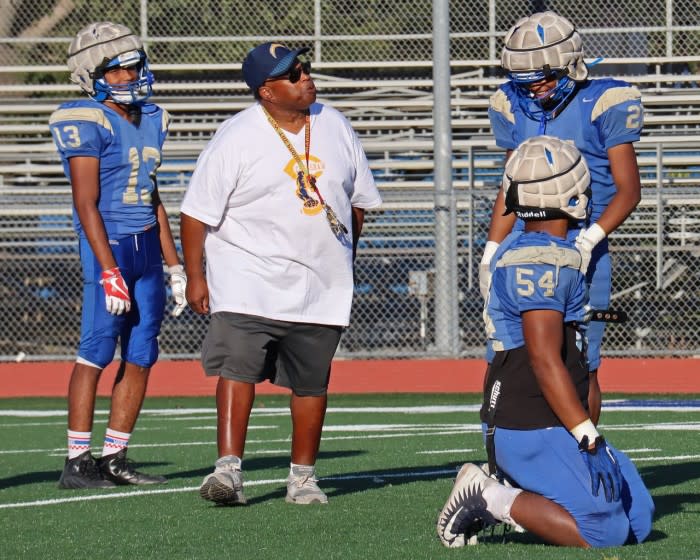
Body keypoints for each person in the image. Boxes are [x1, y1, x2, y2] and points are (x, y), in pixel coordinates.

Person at [180, 42, 382, 506]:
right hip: (249, 277)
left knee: (312, 383)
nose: (306, 77)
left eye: (306, 68)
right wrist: (196, 276)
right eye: (292, 74)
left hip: (321, 284)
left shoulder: (335, 123)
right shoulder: (236, 135)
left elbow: (358, 201)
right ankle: (228, 471)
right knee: (238, 369)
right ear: (266, 91)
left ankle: (303, 479)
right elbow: (195, 213)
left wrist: (342, 256)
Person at [437, 136, 654, 548]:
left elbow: (570, 355)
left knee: (638, 520)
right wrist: (587, 434)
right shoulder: (538, 261)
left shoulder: (554, 252)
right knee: (605, 532)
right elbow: (542, 358)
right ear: (569, 194)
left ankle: (525, 491)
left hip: (550, 414)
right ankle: (488, 496)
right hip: (527, 420)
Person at [481, 11, 644, 424]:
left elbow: (629, 191)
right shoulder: (509, 103)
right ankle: (507, 458)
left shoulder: (605, 101)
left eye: (542, 77)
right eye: (524, 79)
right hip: (520, 247)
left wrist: (589, 240)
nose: (532, 88)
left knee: (580, 364)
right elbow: (509, 186)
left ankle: (580, 456)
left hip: (581, 245)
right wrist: (492, 249)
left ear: (570, 63)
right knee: (506, 356)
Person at [49, 22, 187, 489]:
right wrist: (107, 269)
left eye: (135, 66)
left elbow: (153, 196)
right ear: (93, 74)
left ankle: (115, 456)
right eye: (119, 69)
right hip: (107, 249)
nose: (132, 75)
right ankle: (77, 461)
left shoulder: (153, 117)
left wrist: (175, 264)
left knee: (143, 352)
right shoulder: (84, 119)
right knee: (95, 352)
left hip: (146, 247)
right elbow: (85, 203)